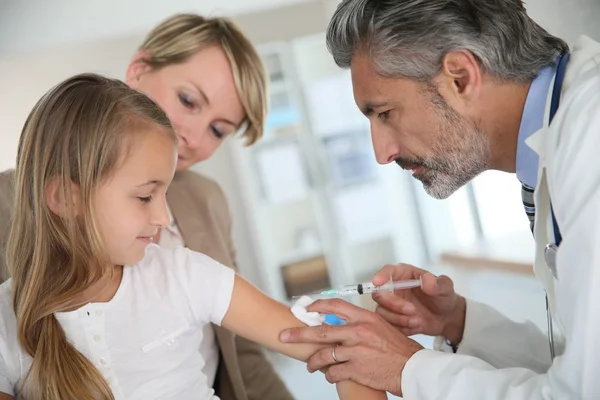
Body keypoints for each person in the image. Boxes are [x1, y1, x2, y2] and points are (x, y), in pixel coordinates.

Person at [278, 0, 600, 399]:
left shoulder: (592, 147)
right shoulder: (560, 144)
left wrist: (406, 369)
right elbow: (576, 369)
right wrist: (459, 323)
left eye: (384, 113)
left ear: (460, 78)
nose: (382, 153)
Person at [0, 73, 386, 400]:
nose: (163, 216)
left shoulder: (184, 275)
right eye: (145, 196)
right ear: (66, 198)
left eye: (165, 193)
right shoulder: (7, 323)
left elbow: (337, 350)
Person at [0, 14, 292, 400]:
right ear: (138, 71)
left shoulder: (206, 201)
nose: (191, 134)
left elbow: (242, 351)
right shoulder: (10, 200)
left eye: (218, 130)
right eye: (188, 101)